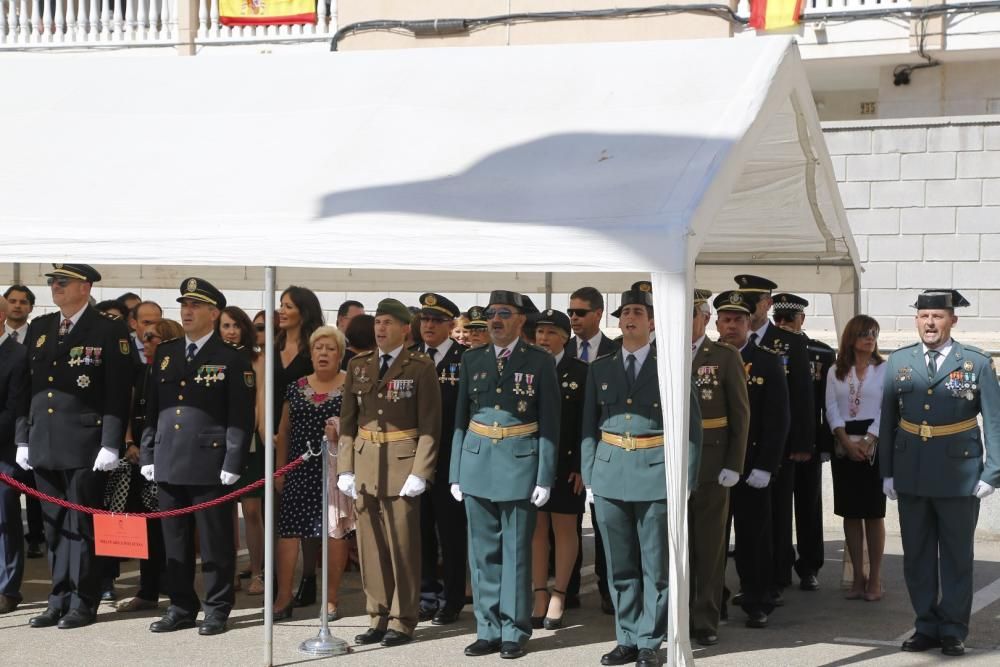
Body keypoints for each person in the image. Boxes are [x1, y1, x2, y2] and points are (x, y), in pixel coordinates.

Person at [581, 286, 701, 667]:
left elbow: (692, 431)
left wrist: (685, 481)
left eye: (637, 311)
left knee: (655, 565)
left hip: (654, 471)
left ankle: (650, 639)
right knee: (619, 565)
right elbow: (588, 427)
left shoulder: (671, 365)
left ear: (652, 321)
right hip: (611, 472)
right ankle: (626, 637)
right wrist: (589, 476)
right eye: (624, 312)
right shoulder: (600, 367)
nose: (629, 318)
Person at [880, 289, 1000, 657]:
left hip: (958, 474)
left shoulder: (976, 363)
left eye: (937, 316)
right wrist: (886, 471)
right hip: (911, 471)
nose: (929, 323)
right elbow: (888, 421)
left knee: (956, 555)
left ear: (952, 320)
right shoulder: (899, 361)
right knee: (916, 554)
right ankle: (926, 626)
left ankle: (953, 629)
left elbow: (994, 421)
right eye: (923, 316)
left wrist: (992, 473)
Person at [14, 264, 132, 629]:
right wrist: (22, 436)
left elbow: (117, 391)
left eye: (62, 282)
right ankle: (58, 598)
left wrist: (111, 442)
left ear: (85, 287)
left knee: (82, 526)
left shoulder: (109, 330)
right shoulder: (41, 327)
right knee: (53, 527)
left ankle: (84, 601)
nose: (55, 287)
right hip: (44, 440)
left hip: (85, 442)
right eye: (52, 282)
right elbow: (25, 387)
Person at [139, 278, 254, 636]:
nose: (186, 311)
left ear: (213, 312)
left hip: (210, 461)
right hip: (170, 460)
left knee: (215, 540)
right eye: (184, 305)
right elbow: (153, 408)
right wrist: (148, 452)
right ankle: (181, 606)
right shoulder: (169, 352)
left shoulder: (231, 357)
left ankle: (217, 607)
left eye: (195, 306)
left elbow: (240, 415)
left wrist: (233, 461)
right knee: (175, 541)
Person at [451, 290, 557, 660]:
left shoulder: (540, 361)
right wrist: (455, 472)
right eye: (492, 313)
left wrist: (545, 475)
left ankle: (514, 629)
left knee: (515, 552)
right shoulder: (472, 358)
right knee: (482, 555)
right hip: (477, 461)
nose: (495, 319)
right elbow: (460, 419)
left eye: (503, 313)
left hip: (519, 462)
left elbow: (550, 423)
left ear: (519, 320)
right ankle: (488, 628)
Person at [338, 298, 440, 647]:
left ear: (404, 329)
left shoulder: (420, 366)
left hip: (402, 463)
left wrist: (421, 471)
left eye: (387, 323)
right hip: (366, 464)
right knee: (371, 548)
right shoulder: (359, 365)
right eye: (377, 322)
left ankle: (403, 619)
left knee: (402, 548)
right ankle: (377, 616)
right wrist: (345, 467)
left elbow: (430, 424)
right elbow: (349, 421)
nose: (380, 329)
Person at [734, 274, 814, 601]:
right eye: (744, 300)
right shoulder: (730, 340)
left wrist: (801, 443)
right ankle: (751, 581)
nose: (748, 307)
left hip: (777, 444)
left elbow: (801, 396)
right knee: (748, 520)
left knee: (778, 513)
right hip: (739, 445)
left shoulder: (789, 342)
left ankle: (778, 575)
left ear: (767, 304)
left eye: (754, 300)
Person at [714, 289, 789, 629]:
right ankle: (712, 600)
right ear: (716, 322)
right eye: (726, 320)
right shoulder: (705, 358)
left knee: (753, 538)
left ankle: (757, 600)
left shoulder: (768, 361)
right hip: (713, 465)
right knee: (710, 539)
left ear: (749, 323)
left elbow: (778, 418)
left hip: (751, 464)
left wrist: (766, 465)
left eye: (738, 320)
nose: (732, 326)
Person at [274, 326, 351, 621]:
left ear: (340, 355)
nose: (323, 353)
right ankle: (284, 596)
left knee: (334, 532)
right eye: (319, 348)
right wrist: (280, 470)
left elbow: (358, 425)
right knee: (290, 532)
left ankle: (330, 599)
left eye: (330, 349)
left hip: (335, 471)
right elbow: (284, 430)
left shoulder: (350, 385)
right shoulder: (296, 386)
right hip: (298, 469)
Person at [687, 289, 750, 647]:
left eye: (692, 314)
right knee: (674, 546)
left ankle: (705, 617)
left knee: (709, 548)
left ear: (705, 319)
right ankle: (677, 612)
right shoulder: (661, 353)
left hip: (712, 463)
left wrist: (734, 464)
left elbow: (741, 415)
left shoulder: (723, 356)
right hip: (669, 462)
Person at [772, 293, 834, 592]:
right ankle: (780, 564)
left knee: (808, 506)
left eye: (789, 320)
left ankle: (809, 565)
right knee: (779, 509)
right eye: (778, 319)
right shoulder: (766, 350)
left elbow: (825, 403)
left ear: (802, 320)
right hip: (777, 442)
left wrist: (823, 444)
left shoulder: (820, 353)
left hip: (807, 440)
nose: (783, 325)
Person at [413, 293, 468, 625]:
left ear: (450, 325)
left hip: (450, 459)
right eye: (424, 320)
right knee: (420, 531)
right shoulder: (412, 358)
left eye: (435, 320)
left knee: (451, 533)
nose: (428, 326)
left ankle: (452, 597)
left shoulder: (467, 360)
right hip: (415, 461)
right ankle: (426, 594)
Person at [529, 309, 586, 630]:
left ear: (565, 337)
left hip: (566, 464)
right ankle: (539, 592)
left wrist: (581, 464)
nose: (543, 338)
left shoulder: (580, 371)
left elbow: (586, 423)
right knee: (536, 531)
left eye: (551, 333)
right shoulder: (529, 367)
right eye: (540, 332)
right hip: (532, 460)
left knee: (565, 529)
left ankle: (560, 593)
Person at [115, 316, 176, 613]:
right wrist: (129, 443)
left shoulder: (175, 373)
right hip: (139, 455)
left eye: (153, 338)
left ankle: (173, 587)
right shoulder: (139, 372)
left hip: (168, 456)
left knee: (169, 528)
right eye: (145, 337)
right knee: (143, 527)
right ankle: (147, 589)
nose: (146, 342)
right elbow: (126, 410)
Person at [825, 315, 886, 602]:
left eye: (873, 333)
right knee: (851, 512)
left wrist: (870, 439)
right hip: (844, 440)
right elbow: (830, 407)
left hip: (873, 438)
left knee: (874, 513)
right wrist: (845, 441)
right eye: (864, 333)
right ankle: (857, 578)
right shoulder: (836, 370)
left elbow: (887, 407)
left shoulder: (884, 369)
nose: (869, 338)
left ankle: (875, 578)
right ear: (851, 338)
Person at [566, 286, 619, 614]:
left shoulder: (615, 350)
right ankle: (567, 589)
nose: (573, 318)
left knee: (606, 527)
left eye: (580, 312)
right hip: (568, 453)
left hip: (606, 450)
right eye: (571, 312)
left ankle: (608, 588)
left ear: (598, 313)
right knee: (566, 524)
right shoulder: (561, 349)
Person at [275, 285, 325, 606]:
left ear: (303, 312)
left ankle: (308, 577)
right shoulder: (273, 347)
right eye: (281, 304)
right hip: (274, 436)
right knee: (277, 514)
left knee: (307, 516)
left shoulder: (314, 349)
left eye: (288, 305)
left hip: (308, 438)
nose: (281, 310)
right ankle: (276, 579)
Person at [218, 306, 266, 596]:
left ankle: (258, 572)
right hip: (216, 442)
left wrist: (256, 433)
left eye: (236, 325)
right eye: (225, 325)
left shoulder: (256, 359)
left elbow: (259, 399)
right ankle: (229, 570)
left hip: (249, 441)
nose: (231, 330)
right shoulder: (212, 358)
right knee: (223, 510)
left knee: (251, 509)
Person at [2, 284, 43, 559]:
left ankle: (7, 587)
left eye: (22, 302)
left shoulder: (22, 350)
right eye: (12, 301)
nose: (17, 306)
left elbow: (16, 405)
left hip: (11, 443)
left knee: (9, 510)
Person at [0, 295, 29, 614]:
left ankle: (7, 588)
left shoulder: (17, 355)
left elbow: (14, 408)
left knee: (4, 519)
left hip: (4, 449)